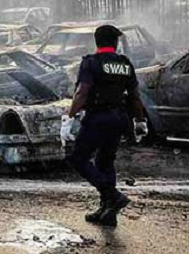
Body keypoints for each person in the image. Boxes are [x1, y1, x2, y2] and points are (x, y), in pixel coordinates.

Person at [61, 25, 148, 227]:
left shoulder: (91, 63)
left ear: (97, 41)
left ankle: (112, 195)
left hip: (98, 118)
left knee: (77, 158)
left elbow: (82, 92)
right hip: (119, 119)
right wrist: (140, 120)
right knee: (105, 162)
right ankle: (107, 212)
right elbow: (135, 96)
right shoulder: (125, 63)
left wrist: (69, 116)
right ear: (115, 43)